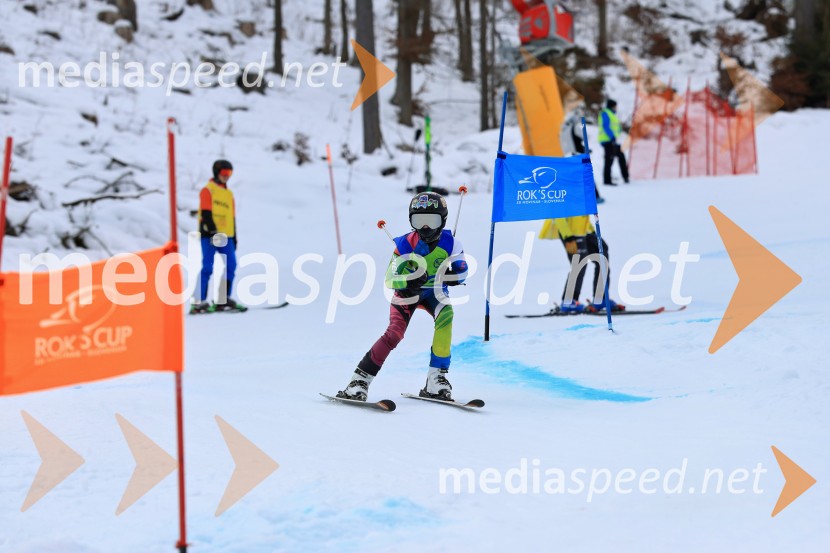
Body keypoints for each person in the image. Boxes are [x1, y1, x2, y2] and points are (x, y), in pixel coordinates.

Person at [338, 192, 468, 402]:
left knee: (447, 316)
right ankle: (358, 381)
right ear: (411, 221)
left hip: (434, 292)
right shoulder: (406, 245)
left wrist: (453, 275)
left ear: (443, 221)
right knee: (395, 334)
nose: (425, 228)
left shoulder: (451, 243)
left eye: (431, 221)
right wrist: (408, 281)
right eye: (419, 221)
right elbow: (390, 278)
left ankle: (437, 378)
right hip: (407, 294)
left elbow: (463, 271)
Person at [191, 159, 247, 314]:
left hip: (226, 236)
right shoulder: (208, 190)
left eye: (229, 173)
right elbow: (207, 213)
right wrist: (213, 231)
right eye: (224, 173)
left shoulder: (229, 194)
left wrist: (234, 236)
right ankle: (198, 302)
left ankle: (223, 299)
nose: (227, 176)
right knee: (207, 267)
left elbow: (232, 217)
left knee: (231, 265)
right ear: (216, 172)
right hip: (210, 235)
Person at [540, 215, 623, 313]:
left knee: (602, 256)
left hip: (584, 230)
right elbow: (557, 210)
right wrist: (567, 236)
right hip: (570, 231)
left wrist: (591, 231)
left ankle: (600, 298)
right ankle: (568, 301)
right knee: (579, 262)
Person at [560, 106, 604, 204]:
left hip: (567, 157)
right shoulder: (574, 127)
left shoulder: (562, 131)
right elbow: (585, 136)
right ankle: (595, 197)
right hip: (578, 156)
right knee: (587, 176)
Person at [597, 99, 630, 186]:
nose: (616, 108)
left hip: (613, 140)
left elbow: (616, 127)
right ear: (612, 106)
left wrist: (618, 132)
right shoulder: (605, 113)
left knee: (620, 157)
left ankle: (625, 177)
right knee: (609, 160)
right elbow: (605, 126)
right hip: (608, 140)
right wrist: (612, 137)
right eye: (615, 106)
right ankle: (607, 180)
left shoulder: (612, 114)